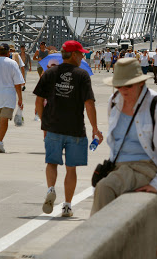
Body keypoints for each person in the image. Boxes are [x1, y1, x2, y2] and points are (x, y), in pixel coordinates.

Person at [91, 58, 157, 214]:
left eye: (128, 86)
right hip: (119, 168)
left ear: (140, 83)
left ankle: (95, 236)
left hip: (146, 167)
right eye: (118, 86)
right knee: (104, 188)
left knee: (105, 188)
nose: (123, 91)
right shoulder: (114, 102)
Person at [34, 40, 102, 217]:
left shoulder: (49, 73)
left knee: (52, 162)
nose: (83, 56)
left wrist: (44, 122)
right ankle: (67, 205)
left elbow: (39, 101)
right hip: (75, 129)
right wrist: (95, 128)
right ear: (73, 55)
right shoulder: (82, 75)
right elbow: (89, 103)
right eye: (81, 54)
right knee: (71, 168)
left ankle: (50, 189)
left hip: (53, 128)